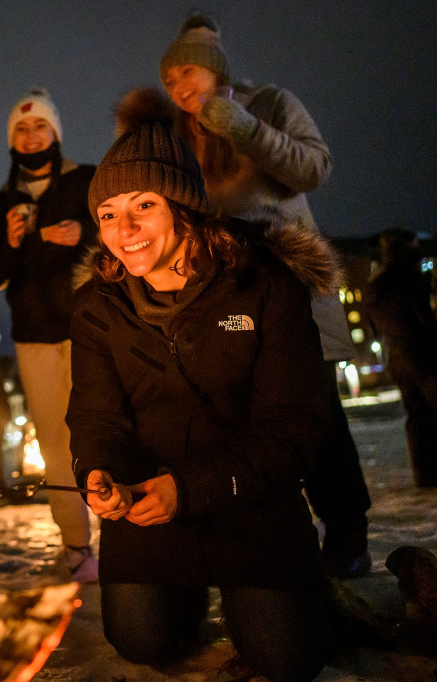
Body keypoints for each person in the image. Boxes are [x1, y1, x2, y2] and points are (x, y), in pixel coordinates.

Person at [69, 88, 336, 681]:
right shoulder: (97, 308)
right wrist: (100, 474)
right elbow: (95, 417)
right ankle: (179, 596)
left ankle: (307, 596)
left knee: (288, 658)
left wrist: (187, 489)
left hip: (250, 503)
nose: (124, 230)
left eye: (143, 206)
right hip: (145, 507)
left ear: (183, 205)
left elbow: (294, 427)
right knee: (140, 640)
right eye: (108, 215)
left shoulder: (262, 284)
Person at [159, 11, 373, 579]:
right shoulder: (174, 132)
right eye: (170, 81)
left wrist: (246, 130)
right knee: (246, 424)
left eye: (189, 74)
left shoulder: (271, 102)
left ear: (216, 71)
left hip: (287, 278)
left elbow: (314, 167)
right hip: (221, 290)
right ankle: (274, 539)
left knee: (316, 415)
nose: (180, 88)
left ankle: (348, 533)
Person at [0, 89, 99, 582]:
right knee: (53, 441)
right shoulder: (4, 200)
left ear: (56, 133)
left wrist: (83, 236)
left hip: (89, 329)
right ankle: (76, 545)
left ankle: (135, 531)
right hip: (32, 336)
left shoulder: (85, 182)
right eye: (22, 130)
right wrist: (9, 240)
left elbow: (116, 237)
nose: (31, 137)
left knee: (105, 429)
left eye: (40, 127)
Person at [363, 229, 437, 488]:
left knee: (416, 415)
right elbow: (424, 320)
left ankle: (424, 474)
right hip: (421, 354)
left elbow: (372, 326)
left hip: (396, 357)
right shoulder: (410, 280)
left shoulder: (375, 287)